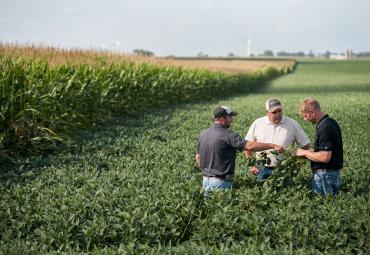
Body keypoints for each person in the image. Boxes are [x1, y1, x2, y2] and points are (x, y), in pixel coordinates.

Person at [196, 106, 284, 195]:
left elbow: (198, 157)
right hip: (221, 183)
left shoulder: (203, 134)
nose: (232, 119)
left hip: (205, 181)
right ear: (223, 119)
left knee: (210, 207)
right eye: (230, 117)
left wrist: (208, 172)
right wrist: (272, 145)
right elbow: (249, 146)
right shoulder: (228, 135)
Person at [244, 98, 310, 180]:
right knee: (264, 191)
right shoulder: (258, 124)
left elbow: (306, 145)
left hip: (285, 168)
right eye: (274, 112)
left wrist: (297, 165)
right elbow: (247, 145)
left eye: (279, 111)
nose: (278, 114)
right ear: (267, 112)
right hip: (262, 169)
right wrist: (251, 165)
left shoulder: (292, 124)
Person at [295, 98, 343, 196]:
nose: (305, 119)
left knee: (326, 205)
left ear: (312, 113)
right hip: (327, 175)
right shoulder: (328, 123)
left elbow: (325, 157)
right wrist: (304, 152)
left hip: (325, 176)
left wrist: (304, 152)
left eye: (306, 116)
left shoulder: (326, 127)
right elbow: (322, 151)